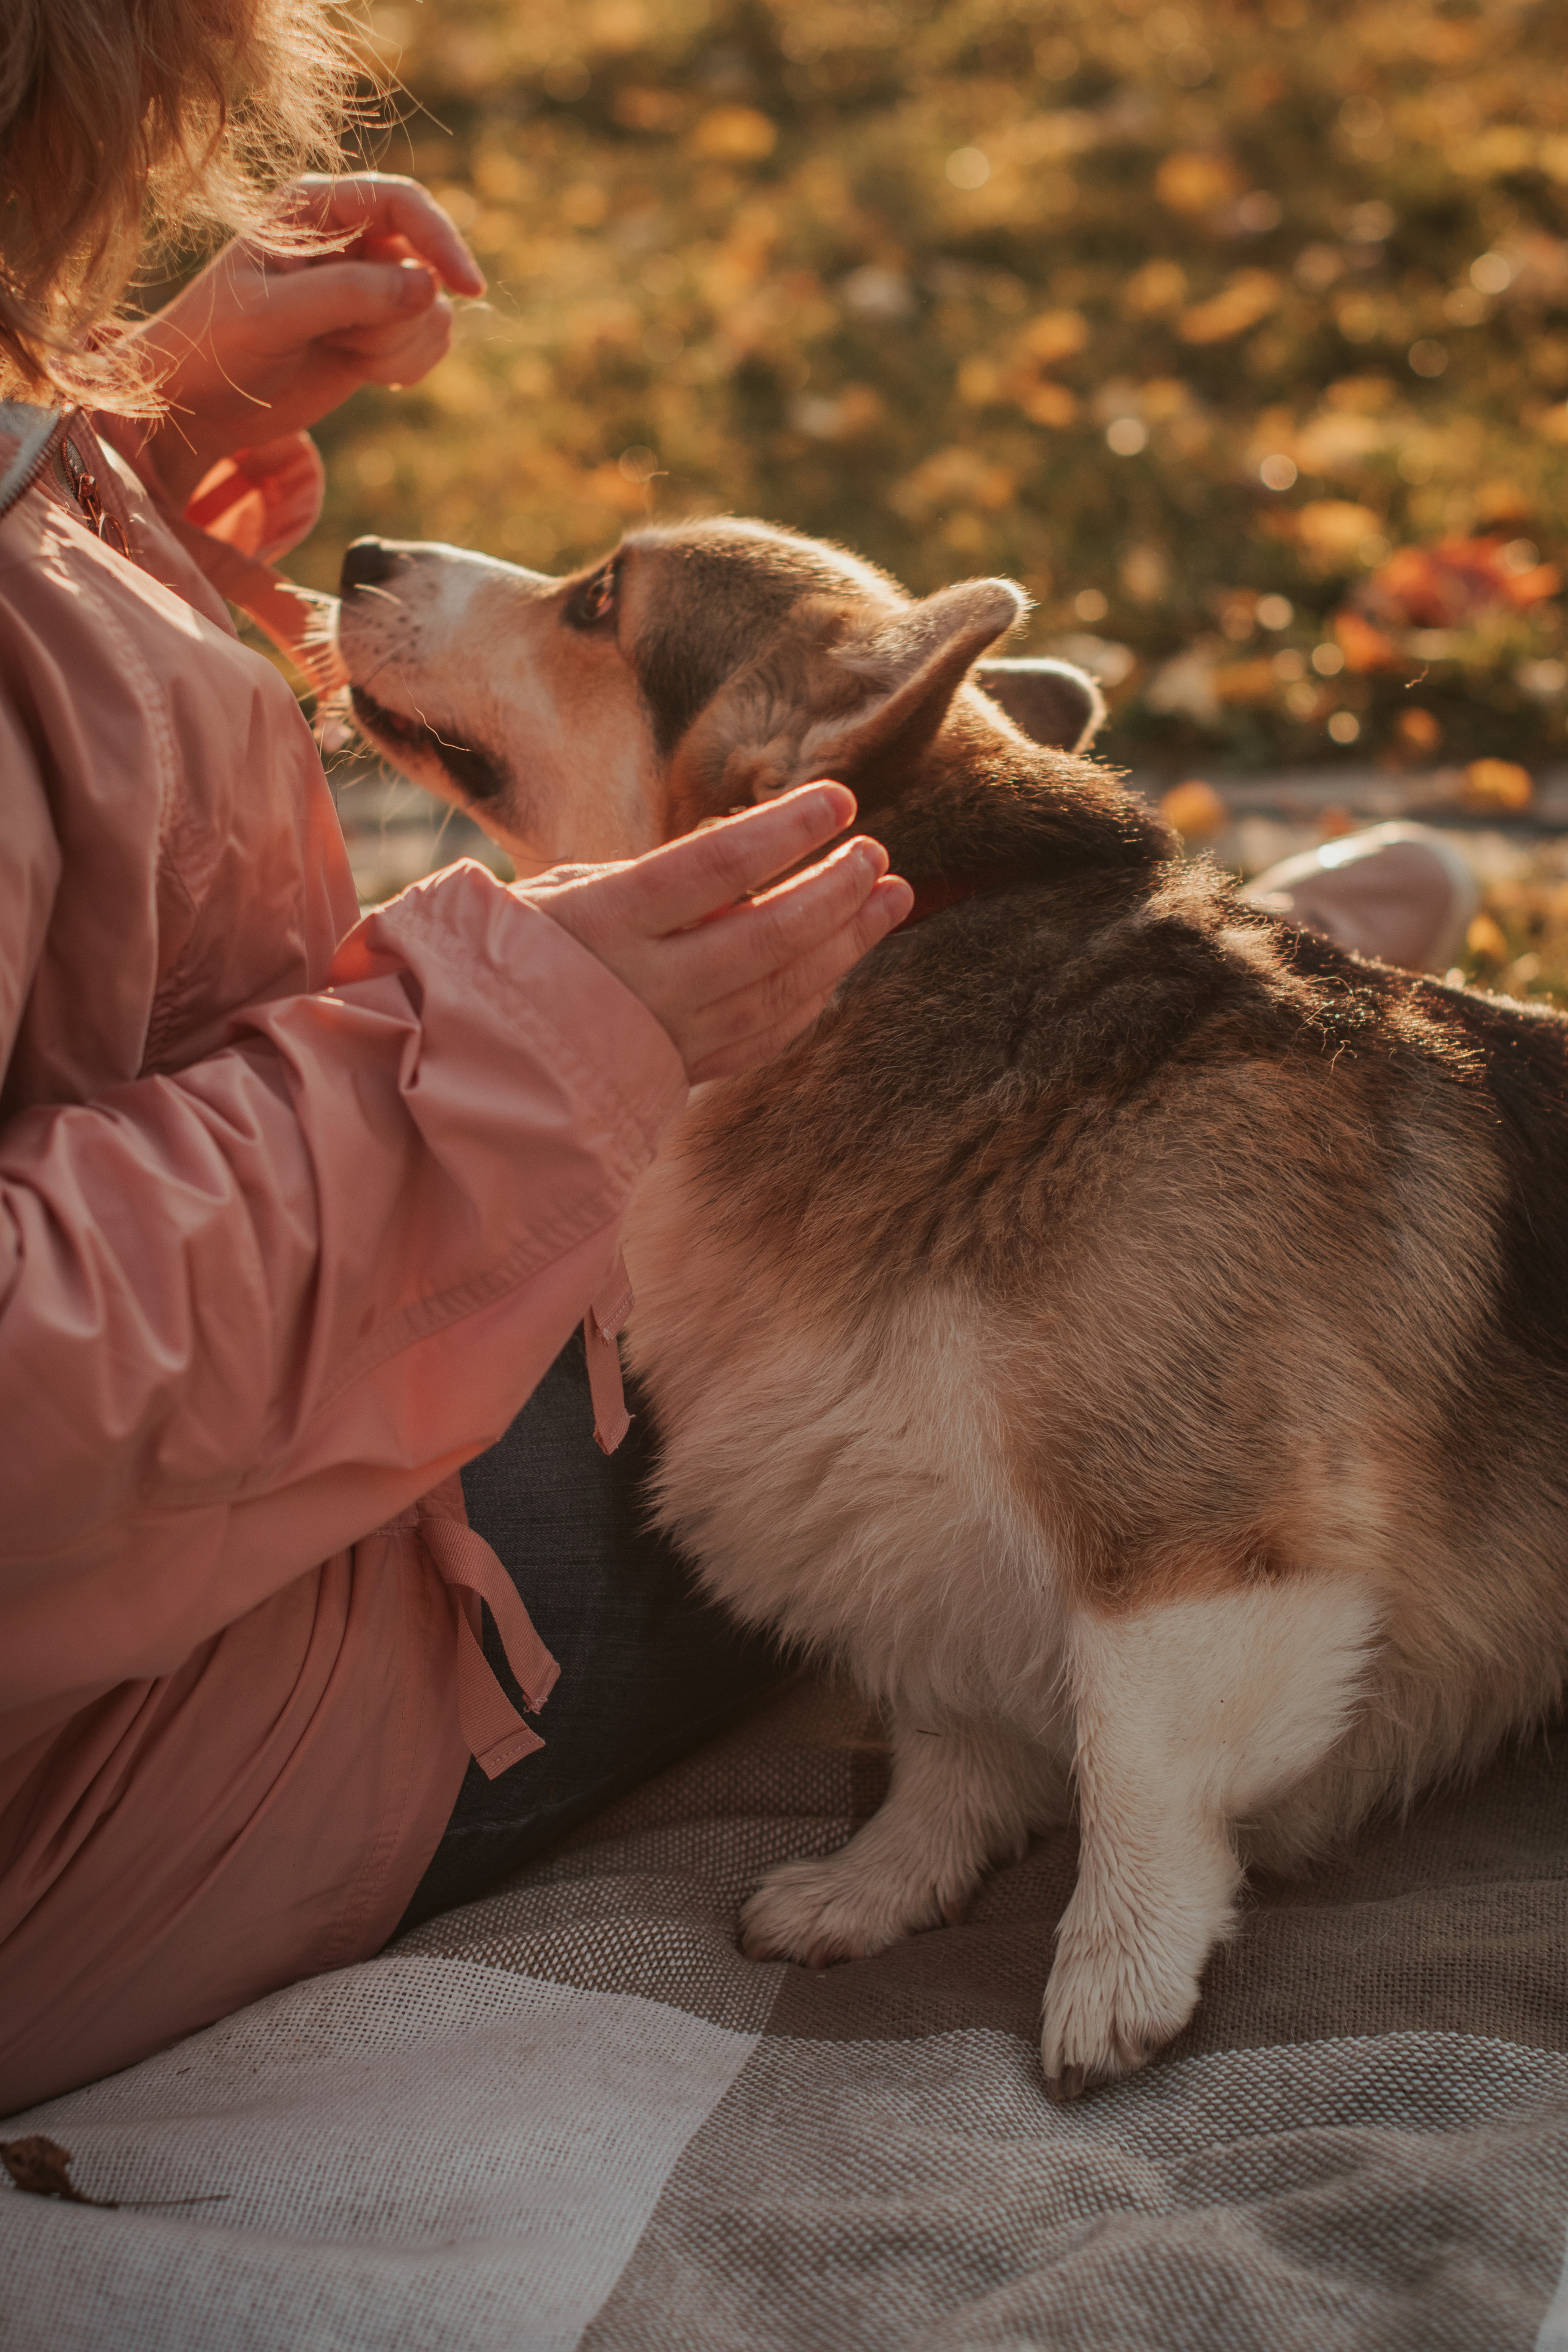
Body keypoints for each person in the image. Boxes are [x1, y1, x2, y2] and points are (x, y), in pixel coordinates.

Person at [0, 1, 912, 2114]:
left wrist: (105, 442)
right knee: (904, 1356)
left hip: (155, 1586)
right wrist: (498, 1056)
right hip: (133, 1762)